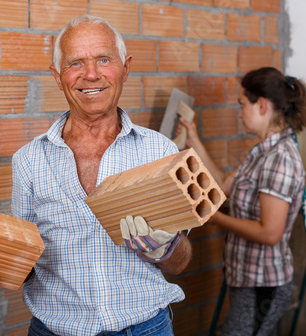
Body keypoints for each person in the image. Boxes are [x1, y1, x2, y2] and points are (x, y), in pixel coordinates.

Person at [11, 14, 192, 336]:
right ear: (57, 75)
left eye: (103, 60)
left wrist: (164, 247)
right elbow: (23, 262)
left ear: (125, 67)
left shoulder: (160, 151)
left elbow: (179, 264)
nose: (91, 74)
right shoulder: (28, 160)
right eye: (75, 63)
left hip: (146, 329)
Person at [179, 67, 306, 335]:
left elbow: (270, 232)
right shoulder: (260, 152)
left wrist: (214, 217)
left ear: (261, 105)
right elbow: (221, 186)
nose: (239, 113)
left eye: (242, 105)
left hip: (264, 284)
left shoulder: (280, 158)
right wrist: (193, 139)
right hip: (247, 279)